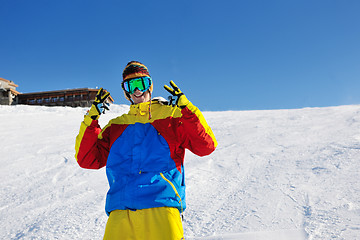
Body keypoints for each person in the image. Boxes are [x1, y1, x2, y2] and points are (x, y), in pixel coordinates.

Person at [75, 61, 217, 239]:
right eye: (131, 85)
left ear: (150, 85)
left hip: (162, 205)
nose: (137, 91)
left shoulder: (171, 117)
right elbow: (88, 160)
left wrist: (186, 109)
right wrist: (91, 120)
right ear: (126, 91)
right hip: (122, 209)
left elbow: (206, 146)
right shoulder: (116, 126)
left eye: (141, 84)